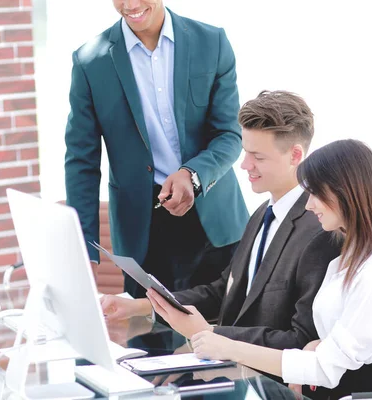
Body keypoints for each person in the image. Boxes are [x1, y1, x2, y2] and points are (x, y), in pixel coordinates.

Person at [178, 139, 372, 399]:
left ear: (345, 192)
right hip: (337, 387)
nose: (309, 205)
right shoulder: (356, 246)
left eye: (316, 194)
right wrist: (315, 347)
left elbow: (326, 368)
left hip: (367, 393)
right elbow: (347, 336)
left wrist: (228, 347)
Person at [101, 90, 341, 356]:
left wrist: (211, 336)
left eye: (258, 157)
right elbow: (222, 292)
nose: (244, 165)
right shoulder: (261, 214)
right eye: (245, 152)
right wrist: (140, 306)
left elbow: (303, 340)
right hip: (232, 369)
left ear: (295, 155)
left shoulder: (321, 230)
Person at [64, 0, 249, 299]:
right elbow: (81, 162)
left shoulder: (211, 42)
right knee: (149, 342)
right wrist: (85, 248)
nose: (131, 4)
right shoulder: (89, 62)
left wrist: (192, 174)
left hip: (217, 221)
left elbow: (229, 134)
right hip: (144, 233)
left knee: (225, 338)